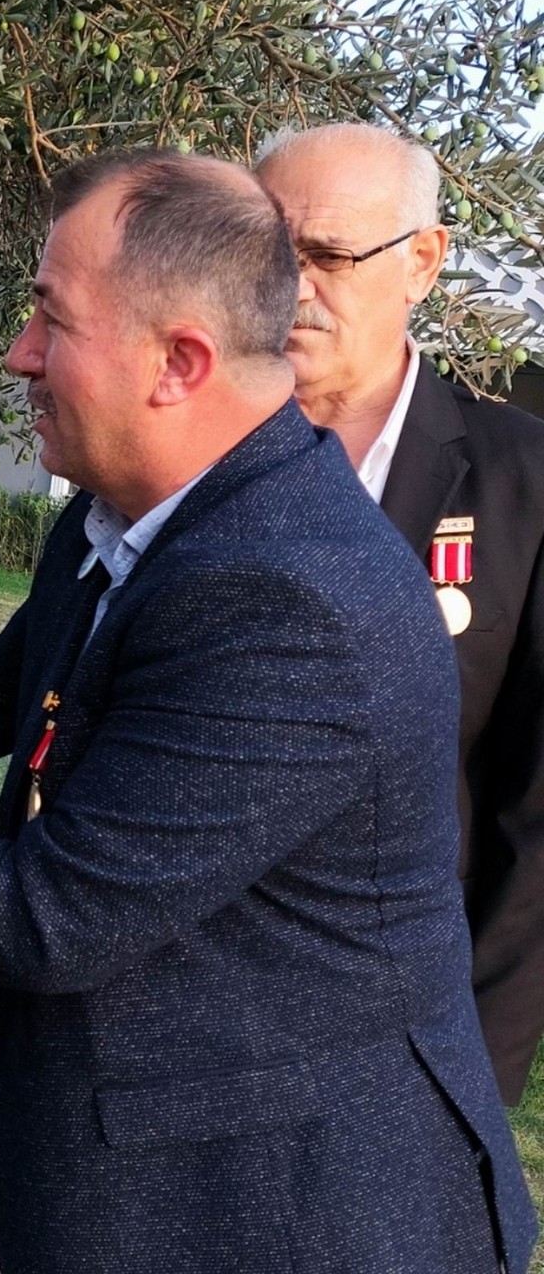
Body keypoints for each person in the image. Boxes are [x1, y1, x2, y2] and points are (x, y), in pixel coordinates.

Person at [0, 151, 536, 1273]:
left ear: (179, 363)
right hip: (165, 1167)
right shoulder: (131, 512)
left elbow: (52, 914)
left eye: (51, 320)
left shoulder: (287, 593)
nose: (18, 354)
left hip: (284, 1208)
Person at [257, 122, 544, 1105]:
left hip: (388, 1051)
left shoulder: (522, 485)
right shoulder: (184, 448)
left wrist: (466, 1085)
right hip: (171, 1048)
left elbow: (533, 823)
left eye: (328, 255)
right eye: (267, 250)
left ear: (422, 262)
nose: (293, 286)